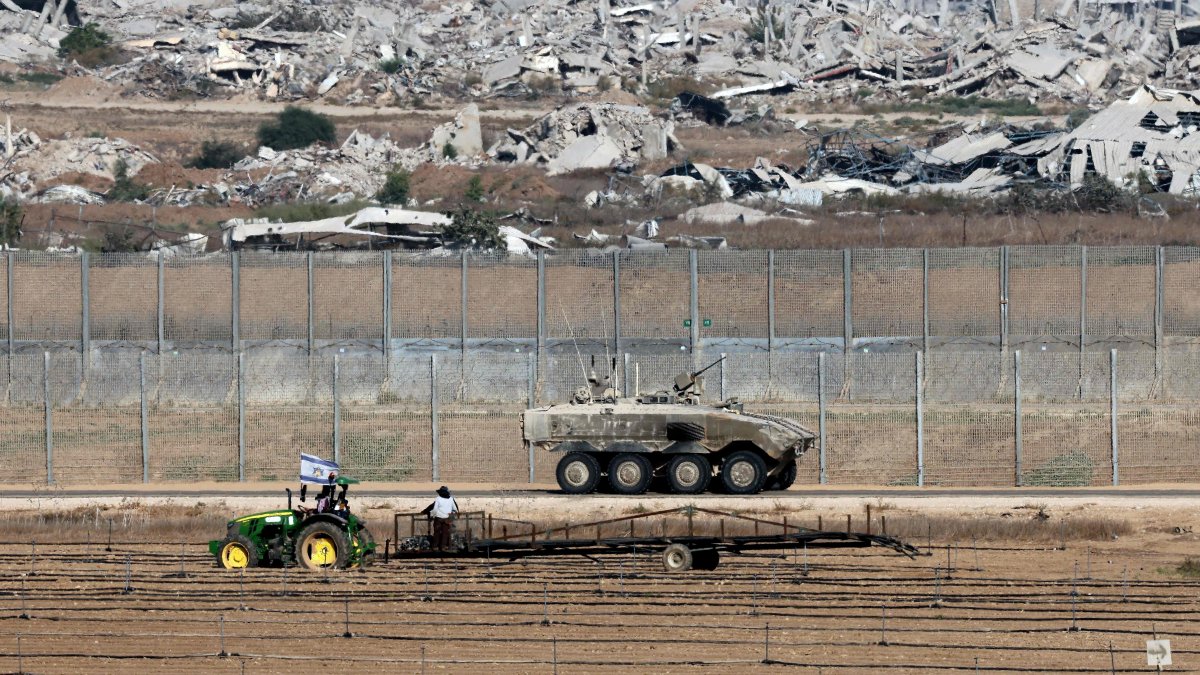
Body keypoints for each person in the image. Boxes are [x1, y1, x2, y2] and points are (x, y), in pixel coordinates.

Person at [420, 486, 458, 552]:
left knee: (437, 532)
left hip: (439, 518)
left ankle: (435, 546)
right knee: (445, 533)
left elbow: (434, 509)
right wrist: (451, 517)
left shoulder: (438, 499)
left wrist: (432, 515)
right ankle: (443, 547)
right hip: (447, 518)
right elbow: (455, 509)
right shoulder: (451, 499)